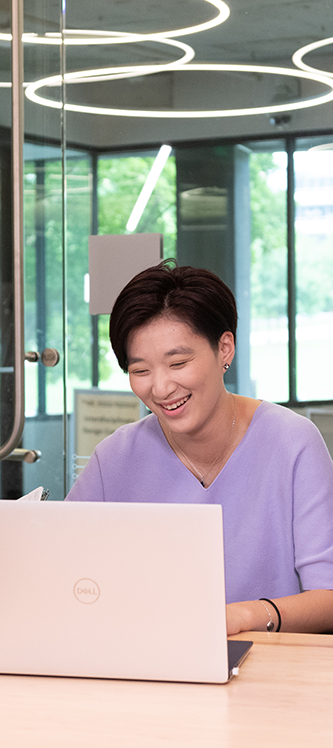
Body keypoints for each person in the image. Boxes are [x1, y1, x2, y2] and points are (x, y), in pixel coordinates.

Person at [67, 260, 333, 636]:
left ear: (225, 348)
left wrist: (244, 617)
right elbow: (61, 572)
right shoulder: (115, 458)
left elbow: (328, 597)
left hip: (272, 671)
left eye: (178, 362)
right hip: (150, 666)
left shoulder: (293, 444)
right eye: (140, 371)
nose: (160, 388)